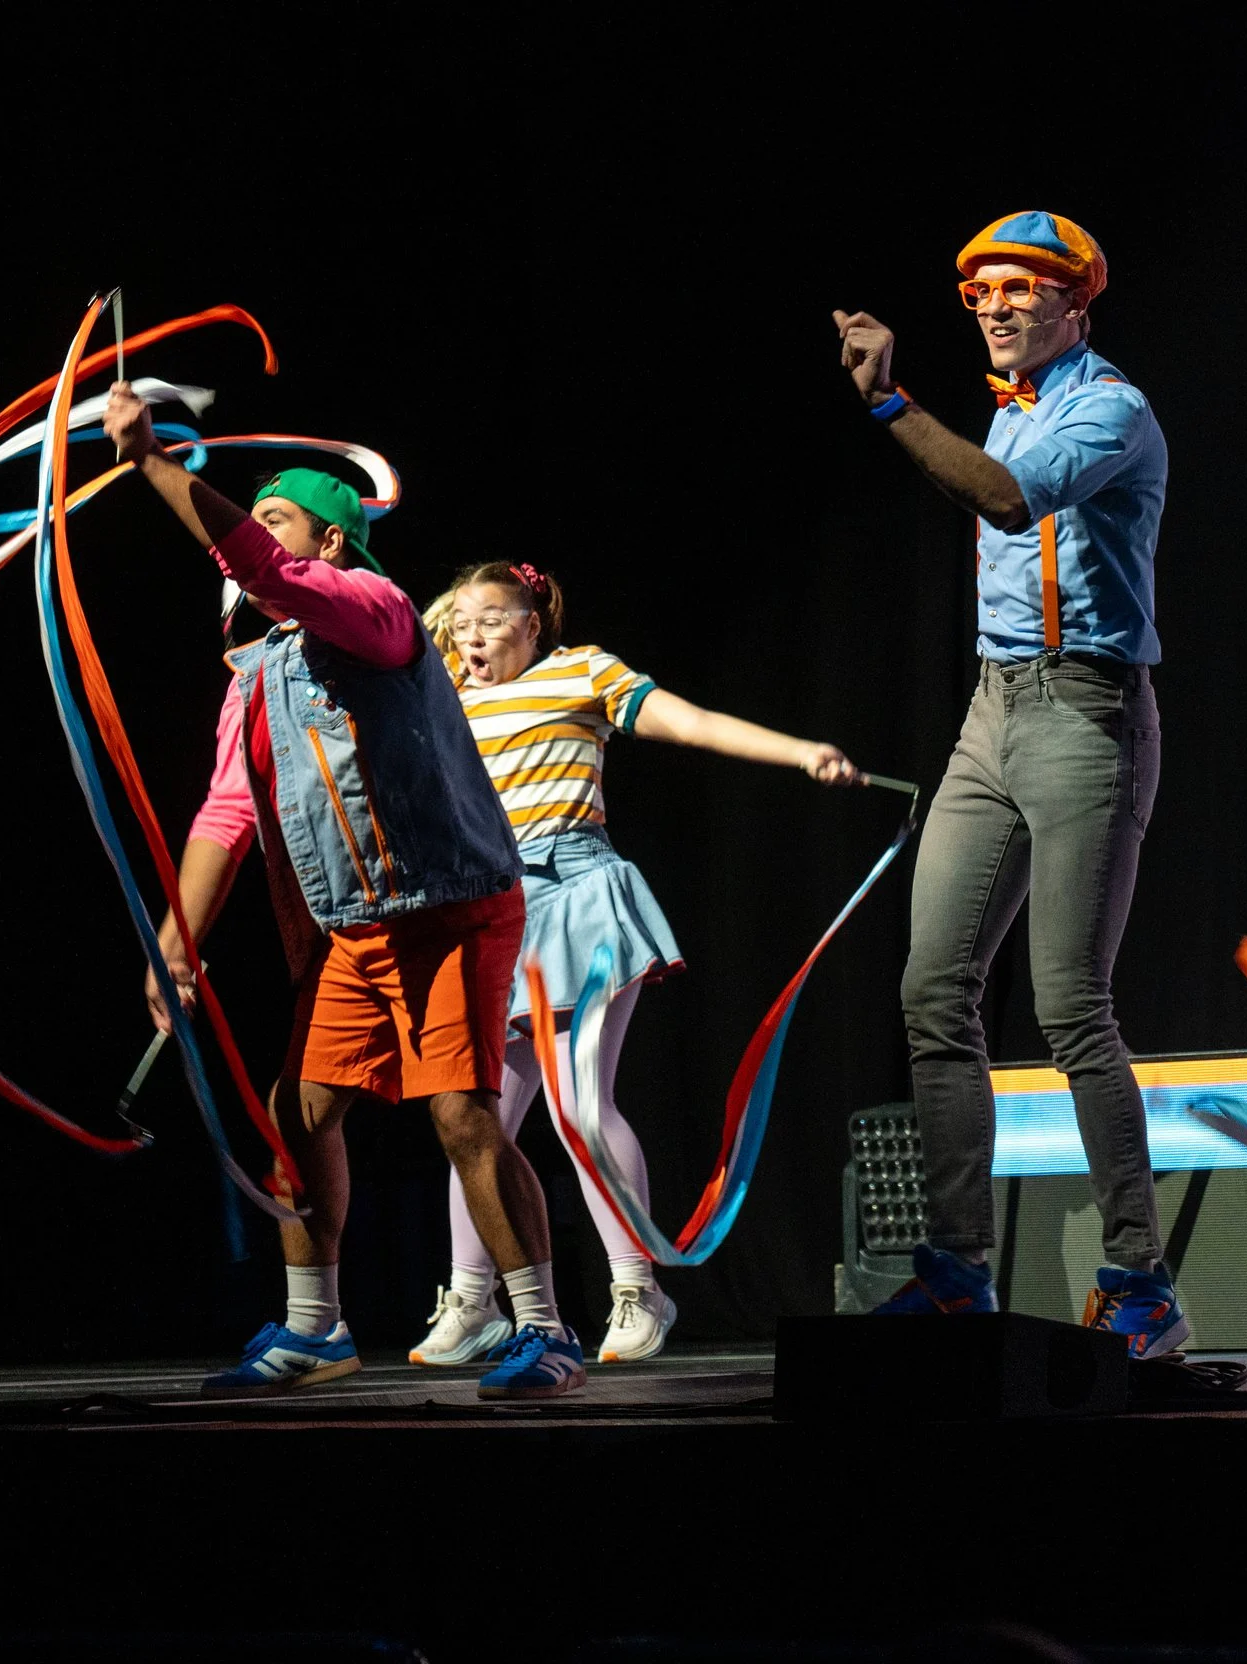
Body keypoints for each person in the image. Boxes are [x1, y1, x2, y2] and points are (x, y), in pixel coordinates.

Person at [106, 386, 586, 1402]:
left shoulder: (376, 611)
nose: (252, 533)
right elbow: (226, 814)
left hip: (447, 906)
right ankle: (315, 1326)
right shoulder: (255, 675)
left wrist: (154, 464)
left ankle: (544, 1327)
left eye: (277, 515)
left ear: (332, 535)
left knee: (459, 1114)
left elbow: (264, 567)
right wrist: (175, 939)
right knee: (298, 1110)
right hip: (352, 930)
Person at [830, 211, 1187, 1356]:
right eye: (981, 289)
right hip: (994, 708)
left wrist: (891, 404)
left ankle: (1141, 1278)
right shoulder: (1010, 400)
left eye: (1022, 289)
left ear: (1076, 305)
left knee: (1071, 1006)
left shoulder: (1109, 407)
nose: (994, 304)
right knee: (933, 991)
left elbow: (1002, 498)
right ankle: (954, 1270)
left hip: (1088, 711)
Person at [407, 563, 860, 1369]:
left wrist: (798, 753)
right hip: (494, 911)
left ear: (534, 622)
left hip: (579, 896)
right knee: (476, 1121)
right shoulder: (447, 701)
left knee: (580, 1107)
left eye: (493, 617)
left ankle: (636, 1287)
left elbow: (688, 722)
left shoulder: (581, 670)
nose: (472, 634)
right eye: (463, 620)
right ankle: (473, 1299)